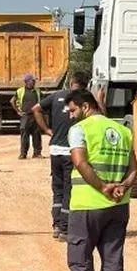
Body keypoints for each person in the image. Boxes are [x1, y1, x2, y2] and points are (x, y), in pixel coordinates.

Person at [59, 89, 137, 271]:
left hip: (87, 206)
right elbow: (134, 168)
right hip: (118, 206)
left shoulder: (80, 130)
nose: (71, 116)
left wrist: (103, 187)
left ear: (85, 106)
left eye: (72, 110)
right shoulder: (124, 131)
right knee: (113, 260)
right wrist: (121, 187)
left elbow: (80, 162)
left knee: (80, 259)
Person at [32, 71, 91, 241]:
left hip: (55, 150)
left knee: (57, 190)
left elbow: (35, 109)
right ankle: (65, 229)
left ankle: (57, 225)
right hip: (71, 151)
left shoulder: (56, 96)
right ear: (84, 85)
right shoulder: (83, 101)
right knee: (68, 190)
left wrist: (47, 130)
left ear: (71, 82)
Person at [13, 73, 43, 159]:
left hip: (36, 115)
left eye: (34, 81)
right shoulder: (20, 91)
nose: (34, 82)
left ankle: (37, 153)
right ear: (27, 82)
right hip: (25, 116)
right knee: (24, 134)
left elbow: (43, 101)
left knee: (37, 134)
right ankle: (23, 154)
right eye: (32, 81)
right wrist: (18, 111)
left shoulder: (38, 91)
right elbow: (12, 101)